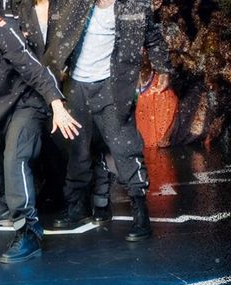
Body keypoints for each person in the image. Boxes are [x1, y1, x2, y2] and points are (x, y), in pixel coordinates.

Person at [0, 0, 80, 263]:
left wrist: (56, 104)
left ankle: (28, 231)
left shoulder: (3, 32)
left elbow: (35, 69)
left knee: (15, 158)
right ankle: (0, 203)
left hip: (25, 103)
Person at [47, 0, 171, 241]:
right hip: (77, 85)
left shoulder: (134, 6)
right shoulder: (77, 4)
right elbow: (59, 34)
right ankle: (78, 206)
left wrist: (163, 67)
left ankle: (140, 212)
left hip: (112, 85)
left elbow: (153, 38)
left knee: (124, 147)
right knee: (77, 148)